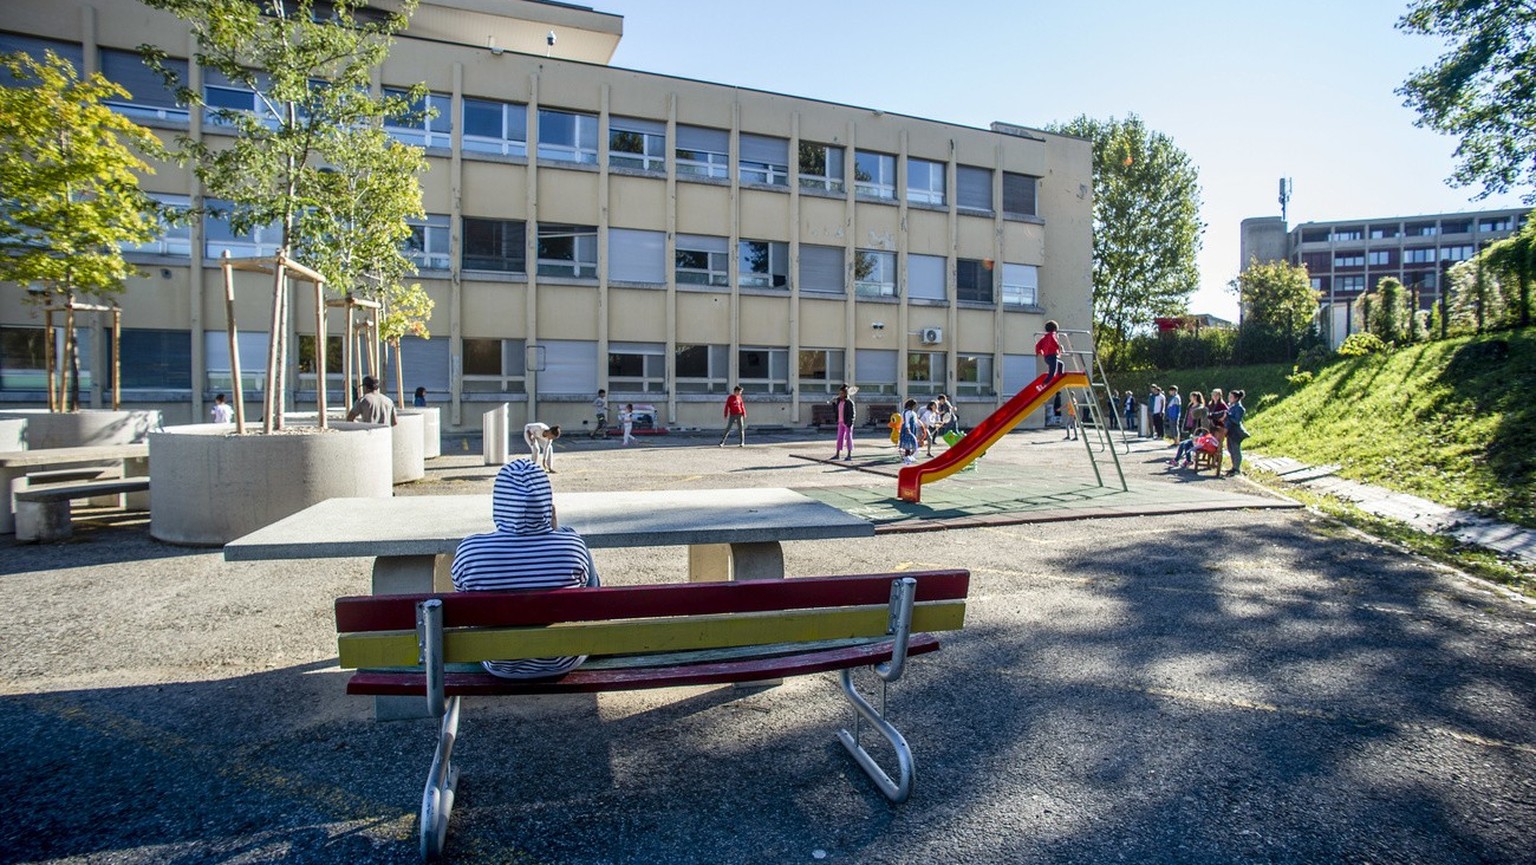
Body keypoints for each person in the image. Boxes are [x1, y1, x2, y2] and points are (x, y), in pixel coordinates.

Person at [450, 458, 599, 679]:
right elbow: (593, 597)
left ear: (500, 503)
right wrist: (556, 532)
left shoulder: (470, 550)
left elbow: (462, 604)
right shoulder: (572, 545)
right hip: (563, 658)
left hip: (498, 661)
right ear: (547, 502)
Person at [1224, 389, 1249, 477]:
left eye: (1231, 397)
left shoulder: (1240, 408)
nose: (1229, 398)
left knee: (1236, 450)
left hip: (1236, 432)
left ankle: (1237, 468)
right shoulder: (1231, 406)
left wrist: (1228, 415)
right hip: (1230, 431)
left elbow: (1237, 421)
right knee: (1230, 449)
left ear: (1236, 398)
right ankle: (1233, 467)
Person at [831, 385, 856, 460]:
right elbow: (836, 411)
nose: (840, 395)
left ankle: (849, 455)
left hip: (847, 423)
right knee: (839, 438)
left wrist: (850, 423)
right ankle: (837, 454)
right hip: (840, 422)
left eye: (842, 393)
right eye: (840, 393)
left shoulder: (849, 402)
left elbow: (852, 414)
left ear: (845, 394)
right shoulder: (839, 401)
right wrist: (833, 403)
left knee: (848, 438)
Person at [898, 398, 921, 465]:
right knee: (907, 442)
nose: (915, 406)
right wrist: (907, 428)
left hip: (913, 427)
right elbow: (906, 421)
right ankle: (907, 456)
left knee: (912, 442)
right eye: (914, 405)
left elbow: (916, 421)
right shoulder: (907, 412)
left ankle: (910, 455)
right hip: (907, 428)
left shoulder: (913, 412)